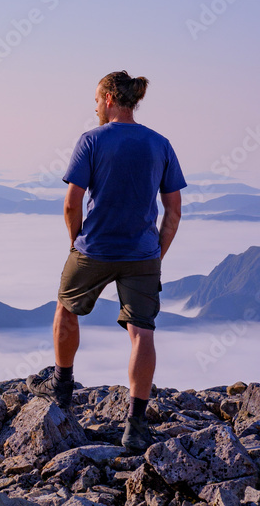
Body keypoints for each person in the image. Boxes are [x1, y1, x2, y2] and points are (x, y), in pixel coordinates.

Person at [26, 70, 186, 452]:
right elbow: (174, 209)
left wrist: (75, 243)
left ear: (110, 97)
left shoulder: (92, 140)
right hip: (142, 252)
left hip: (94, 247)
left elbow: (71, 202)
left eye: (97, 99)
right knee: (142, 331)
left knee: (67, 308)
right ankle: (135, 423)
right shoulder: (160, 143)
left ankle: (62, 388)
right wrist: (156, 253)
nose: (95, 106)